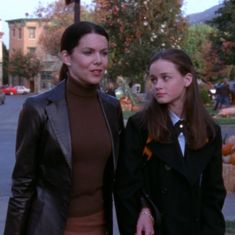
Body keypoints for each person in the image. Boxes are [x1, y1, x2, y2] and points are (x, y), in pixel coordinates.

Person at [4, 21, 124, 235]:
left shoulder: (111, 107)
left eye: (104, 53)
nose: (99, 61)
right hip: (50, 227)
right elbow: (22, 185)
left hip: (99, 226)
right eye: (88, 52)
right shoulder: (38, 108)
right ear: (66, 57)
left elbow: (121, 173)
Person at [115, 48, 226, 235]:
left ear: (187, 79)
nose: (157, 85)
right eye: (153, 79)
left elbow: (213, 192)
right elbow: (126, 185)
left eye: (166, 78)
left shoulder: (210, 130)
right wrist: (143, 210)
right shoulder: (140, 127)